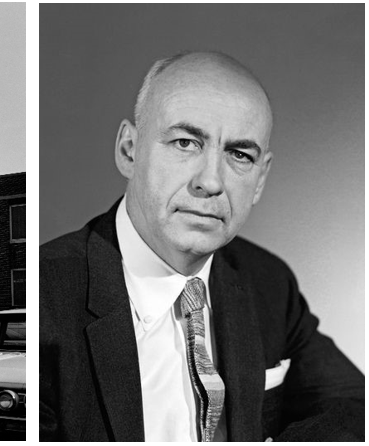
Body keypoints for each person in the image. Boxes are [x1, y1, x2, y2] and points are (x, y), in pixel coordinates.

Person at [39, 52, 364, 442]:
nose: (210, 181)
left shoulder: (269, 283)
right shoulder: (45, 298)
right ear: (129, 149)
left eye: (239, 154)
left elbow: (353, 405)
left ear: (260, 180)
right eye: (185, 142)